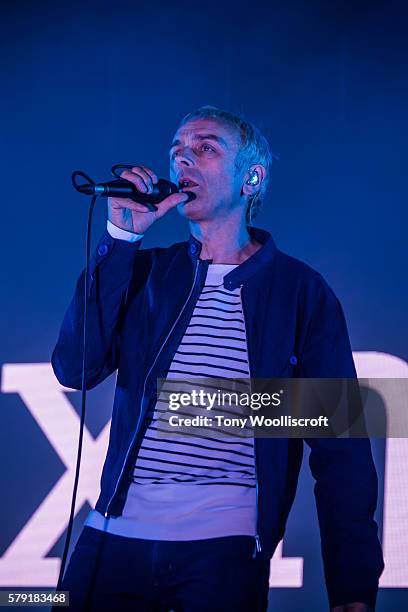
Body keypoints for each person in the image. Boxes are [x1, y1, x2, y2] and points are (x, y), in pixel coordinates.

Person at [52, 105, 384, 611]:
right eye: (177, 152)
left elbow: (341, 452)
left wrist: (352, 586)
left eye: (206, 148)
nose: (184, 161)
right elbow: (75, 366)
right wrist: (121, 238)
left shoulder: (300, 292)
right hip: (112, 536)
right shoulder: (144, 273)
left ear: (252, 178)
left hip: (222, 549)